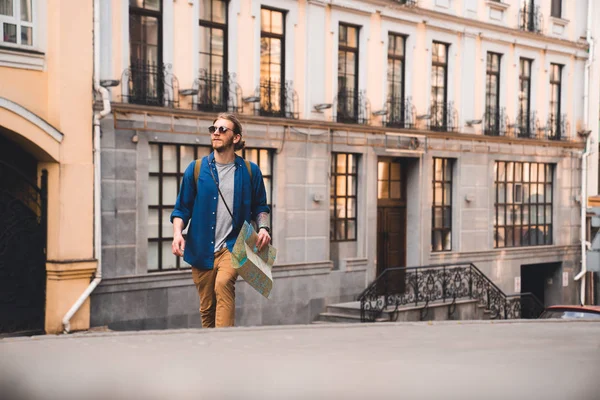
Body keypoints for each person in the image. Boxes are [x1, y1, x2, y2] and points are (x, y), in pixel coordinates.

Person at [171, 113, 271, 328]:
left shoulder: (251, 171)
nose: (216, 133)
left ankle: (224, 345)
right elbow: (182, 208)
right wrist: (177, 233)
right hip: (201, 249)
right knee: (207, 307)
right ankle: (211, 351)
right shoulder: (196, 169)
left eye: (222, 129)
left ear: (235, 138)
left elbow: (260, 207)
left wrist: (263, 228)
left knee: (224, 284)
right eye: (213, 129)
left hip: (233, 246)